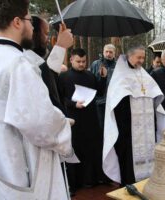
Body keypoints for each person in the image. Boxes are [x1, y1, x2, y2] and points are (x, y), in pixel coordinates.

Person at [0, 1, 74, 199]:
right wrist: (63, 125)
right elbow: (39, 122)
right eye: (30, 21)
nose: (32, 26)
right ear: (17, 22)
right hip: (22, 164)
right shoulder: (18, 63)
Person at [102, 45, 165, 186]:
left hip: (147, 127)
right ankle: (129, 185)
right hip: (128, 129)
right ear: (129, 56)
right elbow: (116, 101)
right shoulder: (120, 76)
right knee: (128, 159)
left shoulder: (143, 74)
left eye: (143, 58)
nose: (141, 61)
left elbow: (154, 93)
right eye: (139, 57)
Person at [58, 48, 106, 194]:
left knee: (92, 148)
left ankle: (91, 179)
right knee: (76, 149)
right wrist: (73, 104)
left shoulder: (90, 75)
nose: (81, 64)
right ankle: (75, 183)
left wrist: (102, 78)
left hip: (90, 118)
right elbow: (60, 98)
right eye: (78, 61)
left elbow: (99, 92)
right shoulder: (63, 77)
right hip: (74, 119)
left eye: (84, 61)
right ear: (71, 59)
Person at [23, 15, 73, 115]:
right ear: (33, 33)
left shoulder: (36, 59)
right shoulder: (23, 61)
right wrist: (61, 46)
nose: (48, 39)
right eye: (46, 33)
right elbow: (47, 83)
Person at [90, 44, 116, 130]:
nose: (108, 54)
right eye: (106, 52)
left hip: (113, 101)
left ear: (114, 53)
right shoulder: (96, 64)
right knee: (101, 126)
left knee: (112, 126)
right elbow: (91, 80)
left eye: (111, 52)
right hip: (99, 101)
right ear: (103, 52)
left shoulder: (117, 66)